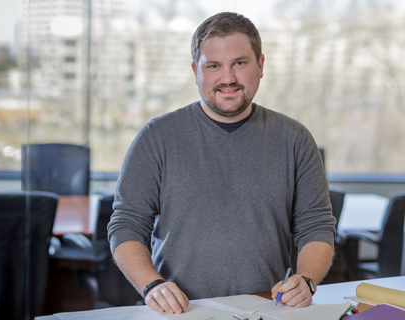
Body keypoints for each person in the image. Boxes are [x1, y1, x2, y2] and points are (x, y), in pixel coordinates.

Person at [107, 11, 335, 315]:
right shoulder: (156, 137)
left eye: (239, 63)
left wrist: (306, 280)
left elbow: (316, 226)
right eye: (213, 66)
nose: (228, 78)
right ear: (196, 71)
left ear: (261, 65)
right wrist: (152, 285)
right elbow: (126, 226)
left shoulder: (295, 139)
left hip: (268, 307)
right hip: (179, 310)